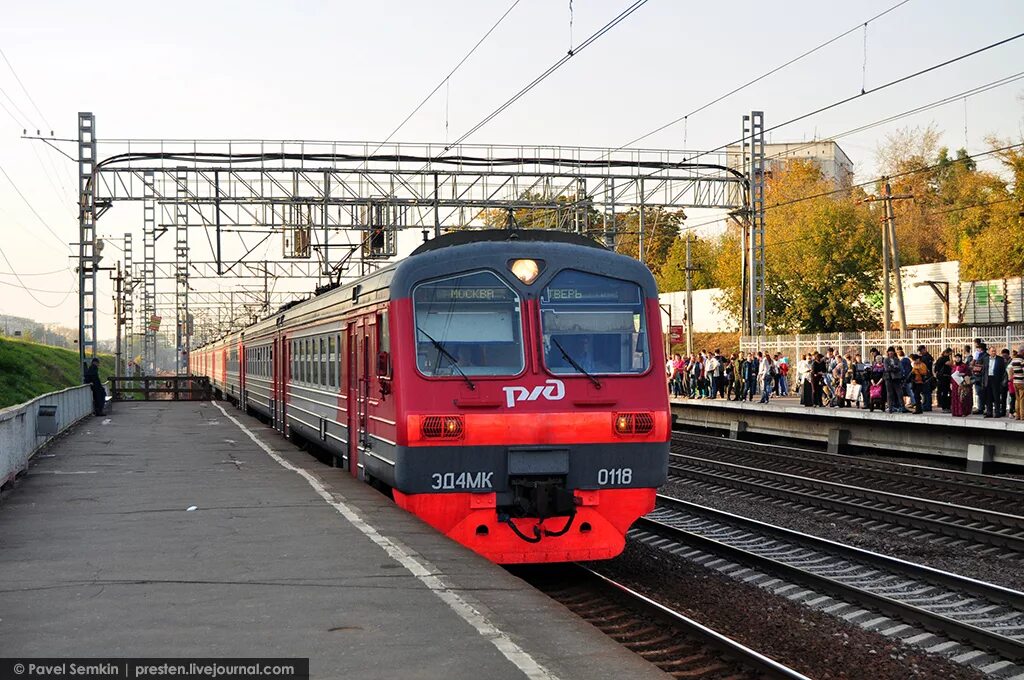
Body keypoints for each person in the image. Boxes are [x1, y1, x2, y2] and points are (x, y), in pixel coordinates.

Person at [981, 346, 1007, 418]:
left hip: (996, 379)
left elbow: (1003, 371)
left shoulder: (1000, 359)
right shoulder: (985, 359)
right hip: (988, 379)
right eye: (992, 351)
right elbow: (984, 371)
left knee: (996, 396)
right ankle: (989, 412)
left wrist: (1002, 381)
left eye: (994, 351)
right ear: (989, 352)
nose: (993, 352)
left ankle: (997, 412)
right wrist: (983, 381)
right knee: (988, 397)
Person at [883, 347, 905, 413]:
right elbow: (887, 368)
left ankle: (902, 406)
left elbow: (900, 367)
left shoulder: (896, 359)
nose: (891, 353)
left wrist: (892, 367)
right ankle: (890, 407)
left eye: (892, 352)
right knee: (890, 393)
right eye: (889, 352)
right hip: (888, 378)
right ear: (888, 353)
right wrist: (894, 367)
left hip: (896, 378)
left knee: (899, 393)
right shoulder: (886, 360)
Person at [934, 348, 953, 412]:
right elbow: (951, 364)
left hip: (941, 378)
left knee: (943, 391)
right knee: (946, 392)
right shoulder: (945, 358)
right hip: (945, 378)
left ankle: (942, 405)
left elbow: (935, 369)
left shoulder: (939, 358)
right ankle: (945, 406)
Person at [1010, 347, 1024, 420]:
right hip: (1021, 382)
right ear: (1022, 352)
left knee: (1017, 399)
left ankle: (1017, 415)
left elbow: (1011, 370)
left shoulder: (1014, 359)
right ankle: (1022, 416)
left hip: (1015, 381)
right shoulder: (1021, 360)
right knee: (1022, 399)